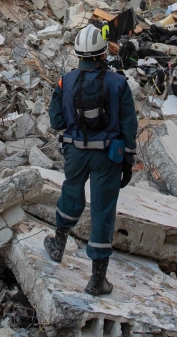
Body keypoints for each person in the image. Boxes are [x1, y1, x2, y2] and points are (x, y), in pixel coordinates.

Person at [44, 25, 137, 296]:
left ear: (77, 54)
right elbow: (128, 127)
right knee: (102, 210)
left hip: (74, 152)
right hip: (107, 156)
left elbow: (56, 121)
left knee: (71, 195)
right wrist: (128, 161)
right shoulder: (119, 83)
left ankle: (58, 246)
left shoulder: (65, 81)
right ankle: (97, 280)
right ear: (103, 53)